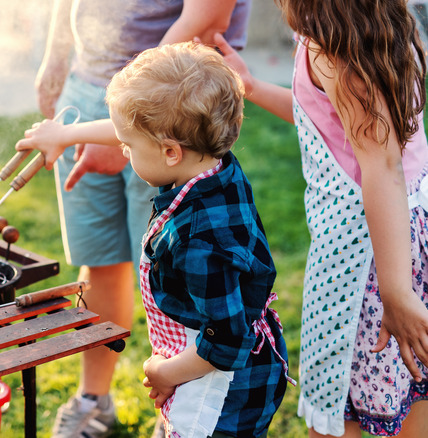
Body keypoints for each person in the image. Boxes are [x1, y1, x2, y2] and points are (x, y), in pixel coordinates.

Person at [17, 41, 292, 438]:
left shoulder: (199, 240)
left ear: (169, 152)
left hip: (219, 391)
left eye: (128, 147)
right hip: (213, 366)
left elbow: (227, 342)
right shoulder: (214, 164)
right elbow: (136, 127)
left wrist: (163, 372)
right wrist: (65, 133)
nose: (124, 150)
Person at [212, 0, 428, 436]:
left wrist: (396, 291)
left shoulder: (332, 51)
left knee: (335, 409)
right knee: (413, 384)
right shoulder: (377, 25)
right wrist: (251, 87)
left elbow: (381, 166)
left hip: (364, 256)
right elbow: (327, 118)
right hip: (407, 232)